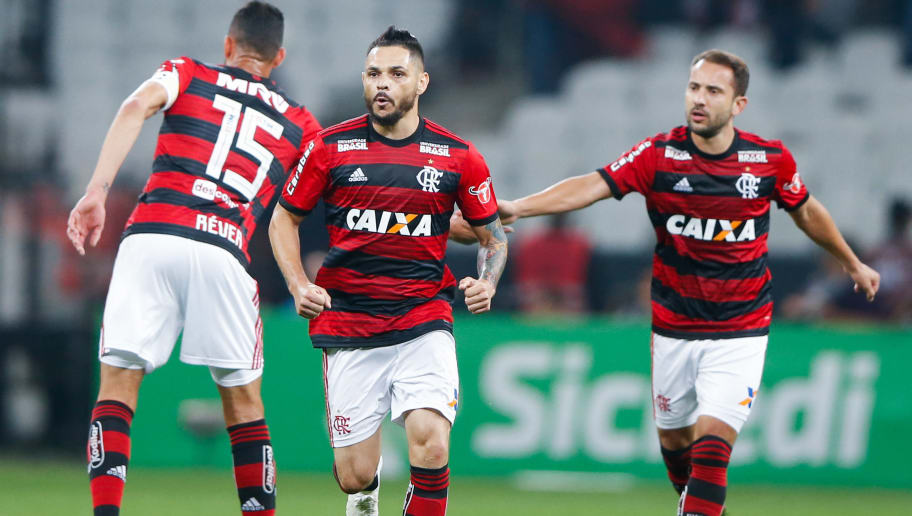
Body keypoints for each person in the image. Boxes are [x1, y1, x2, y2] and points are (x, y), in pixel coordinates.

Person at [493, 49, 879, 516]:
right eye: (694, 87)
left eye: (713, 91)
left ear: (739, 105)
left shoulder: (767, 161)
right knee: (677, 442)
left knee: (712, 446)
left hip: (741, 328)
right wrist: (520, 206)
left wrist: (851, 261)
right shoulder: (659, 155)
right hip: (674, 326)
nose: (699, 99)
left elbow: (807, 210)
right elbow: (592, 185)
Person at [65, 3, 321, 515]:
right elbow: (328, 198)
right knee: (244, 405)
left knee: (117, 386)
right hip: (224, 248)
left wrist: (97, 190)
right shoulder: (302, 124)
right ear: (279, 57)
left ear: (228, 45)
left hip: (153, 235)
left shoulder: (187, 72)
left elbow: (134, 107)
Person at [269, 27, 508, 516]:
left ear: (421, 82)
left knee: (432, 445)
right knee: (353, 475)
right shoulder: (329, 148)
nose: (383, 83)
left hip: (424, 318)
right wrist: (297, 283)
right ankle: (367, 491)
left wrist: (488, 280)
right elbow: (282, 219)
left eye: (397, 74)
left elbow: (493, 237)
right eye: (374, 74)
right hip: (350, 322)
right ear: (363, 80)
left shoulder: (458, 155)